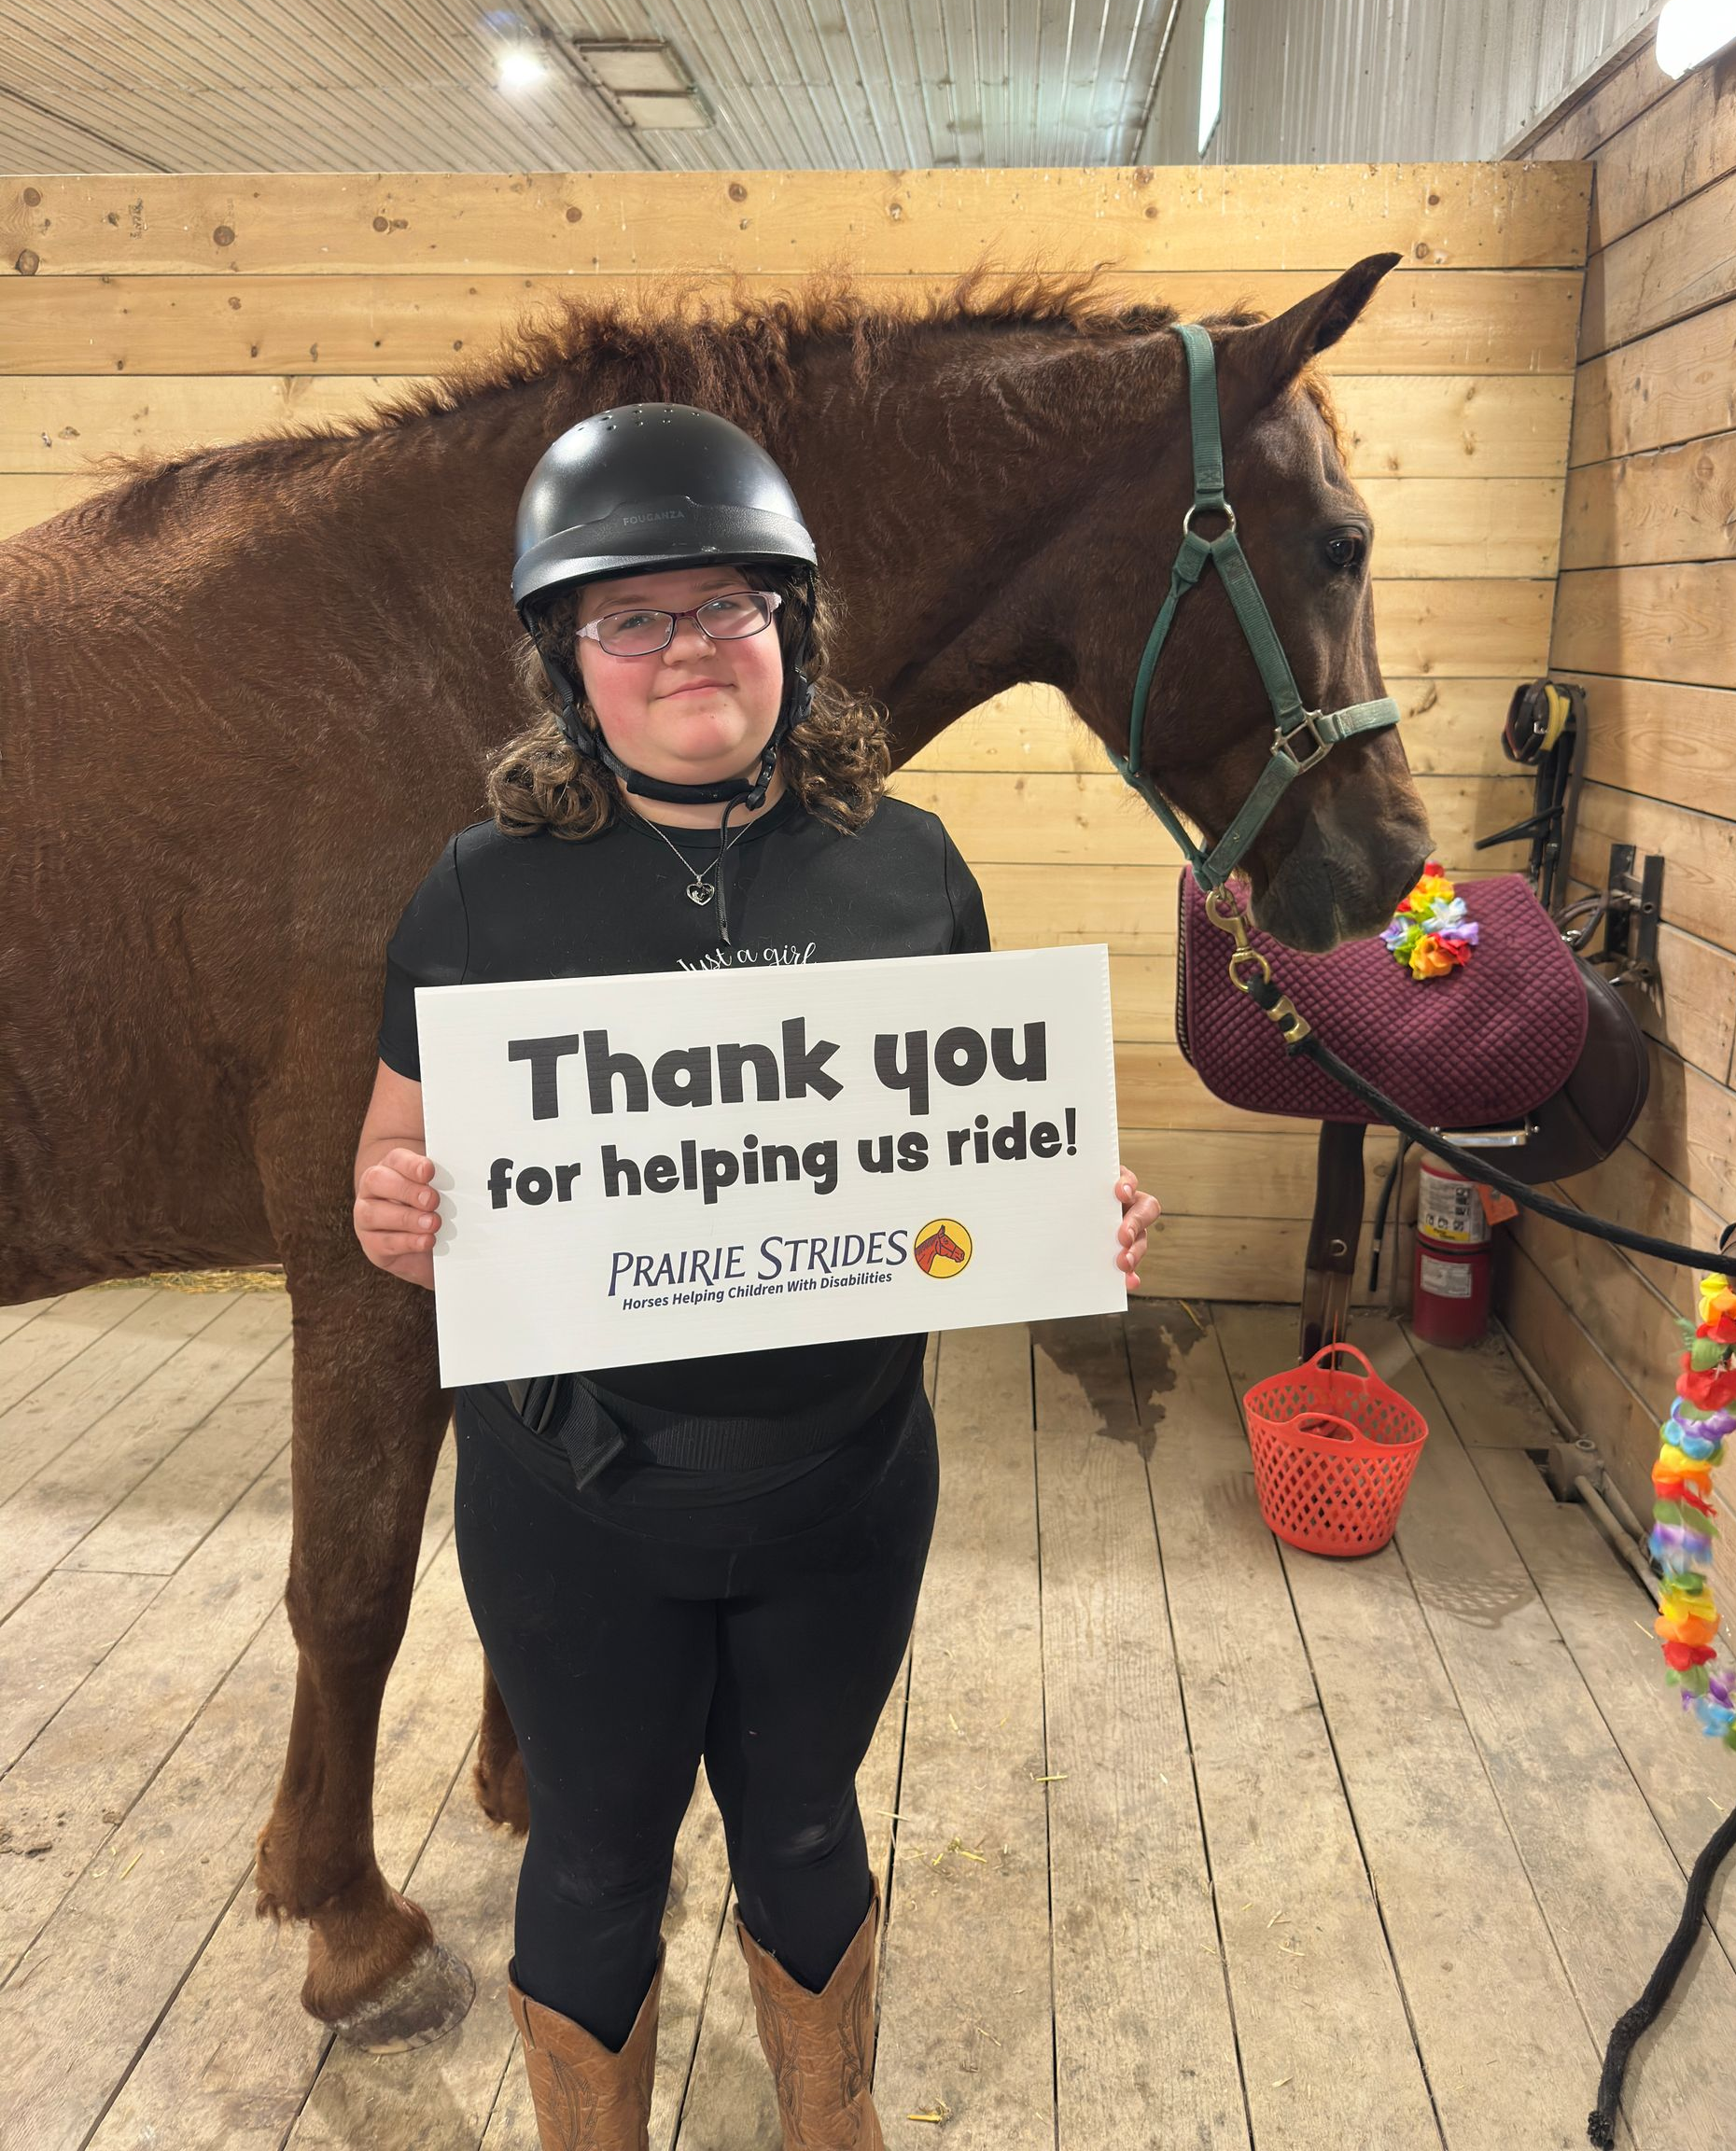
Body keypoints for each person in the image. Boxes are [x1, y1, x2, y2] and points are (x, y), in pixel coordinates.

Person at [351, 404, 1161, 2151]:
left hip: (841, 1480)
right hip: (578, 1495)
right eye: (629, 616)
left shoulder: (910, 864)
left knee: (804, 1821)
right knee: (594, 1843)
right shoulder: (481, 896)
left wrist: (1059, 1208)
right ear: (572, 662)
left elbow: (968, 1133)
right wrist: (390, 1213)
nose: (685, 646)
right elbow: (387, 1160)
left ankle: (831, 2123)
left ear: (792, 627)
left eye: (725, 604)